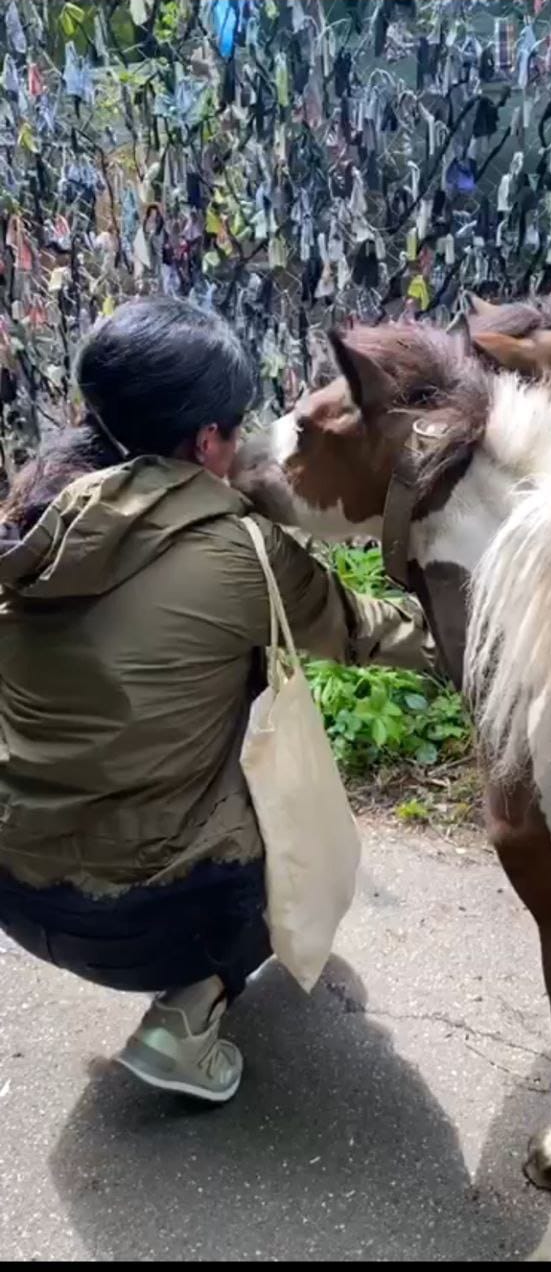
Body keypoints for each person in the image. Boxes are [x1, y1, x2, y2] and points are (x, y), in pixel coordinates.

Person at [0, 297, 435, 1103]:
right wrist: (480, 634)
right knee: (306, 839)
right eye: (235, 428)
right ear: (206, 442)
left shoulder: (37, 514)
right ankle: (185, 1020)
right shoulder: (237, 549)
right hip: (140, 923)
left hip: (17, 892)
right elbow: (363, 630)